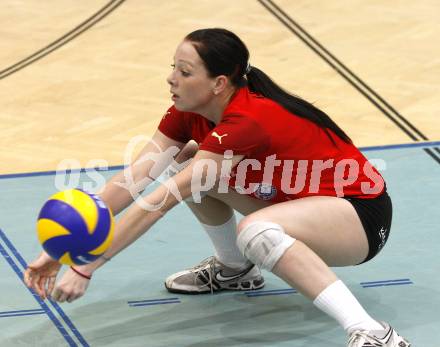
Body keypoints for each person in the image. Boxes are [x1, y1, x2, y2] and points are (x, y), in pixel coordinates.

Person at [24, 28, 411, 347]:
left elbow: (161, 199)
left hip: (358, 215)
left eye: (185, 71)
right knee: (195, 169)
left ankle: (375, 332)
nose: (172, 78)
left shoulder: (250, 118)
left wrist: (89, 265)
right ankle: (234, 270)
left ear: (219, 83)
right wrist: (65, 248)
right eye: (172, 67)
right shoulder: (188, 112)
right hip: (298, 204)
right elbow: (133, 179)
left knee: (252, 229)